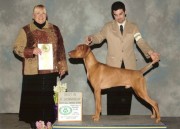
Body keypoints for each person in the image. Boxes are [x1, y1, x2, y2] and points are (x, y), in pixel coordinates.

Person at [85, 1, 160, 115]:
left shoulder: (133, 27)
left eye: (121, 14)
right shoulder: (108, 27)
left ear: (125, 12)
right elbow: (99, 37)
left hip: (129, 68)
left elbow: (140, 42)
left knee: (126, 101)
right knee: (113, 101)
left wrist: (150, 52)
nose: (118, 17)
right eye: (115, 15)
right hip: (112, 69)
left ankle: (125, 123)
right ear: (112, 14)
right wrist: (92, 39)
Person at [13, 4, 68, 128]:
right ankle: (35, 123)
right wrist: (31, 51)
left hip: (50, 70)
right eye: (37, 13)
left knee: (49, 96)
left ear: (46, 15)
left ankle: (48, 121)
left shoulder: (55, 29)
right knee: (34, 98)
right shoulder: (25, 30)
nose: (40, 16)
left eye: (43, 13)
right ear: (33, 16)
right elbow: (17, 48)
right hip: (32, 71)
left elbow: (60, 49)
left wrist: (62, 66)